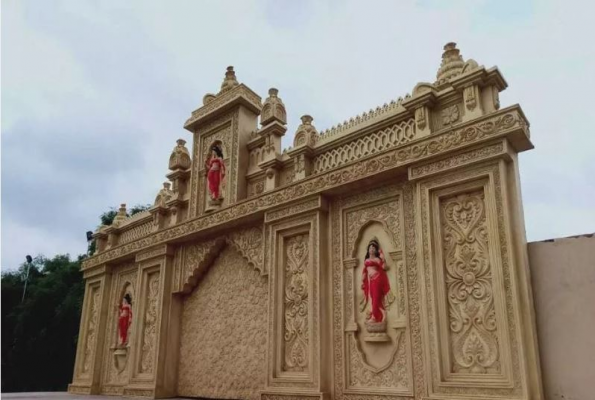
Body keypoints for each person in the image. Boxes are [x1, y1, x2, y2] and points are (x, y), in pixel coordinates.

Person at [361, 239, 390, 323]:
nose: (372, 249)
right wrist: (363, 282)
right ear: (368, 250)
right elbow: (364, 271)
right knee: (373, 298)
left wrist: (383, 258)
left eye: (373, 248)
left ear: (376, 250)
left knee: (376, 298)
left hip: (378, 280)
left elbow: (384, 267)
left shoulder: (377, 259)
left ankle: (374, 317)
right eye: (370, 248)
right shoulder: (366, 261)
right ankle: (383, 313)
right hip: (371, 281)